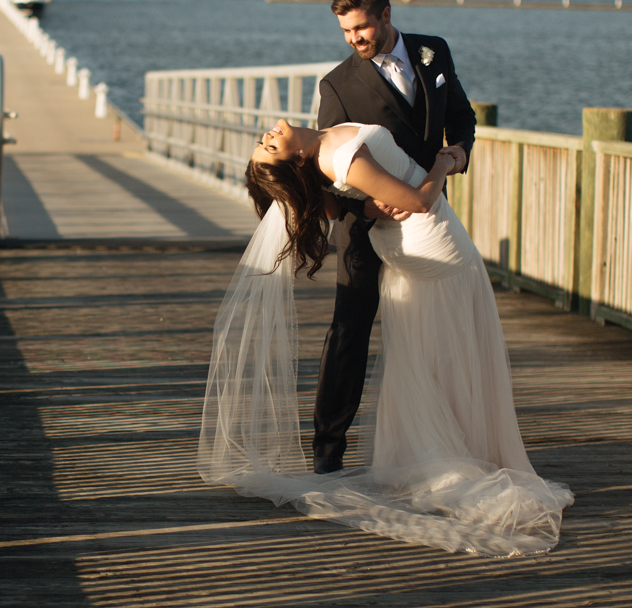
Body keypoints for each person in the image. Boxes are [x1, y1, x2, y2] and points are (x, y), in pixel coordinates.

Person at [196, 120, 573, 557]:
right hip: (433, 245)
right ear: (297, 158)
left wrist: (371, 206)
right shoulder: (338, 156)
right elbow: (419, 200)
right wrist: (443, 161)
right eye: (271, 146)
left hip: (399, 247)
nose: (268, 135)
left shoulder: (324, 153)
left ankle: (445, 448)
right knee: (452, 352)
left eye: (264, 142)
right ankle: (457, 455)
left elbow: (336, 210)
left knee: (424, 356)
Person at [313, 0, 477, 475]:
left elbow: (462, 115)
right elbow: (325, 180)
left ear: (386, 15)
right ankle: (328, 454)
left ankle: (436, 445)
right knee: (350, 334)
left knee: (433, 336)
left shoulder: (434, 52)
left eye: (361, 27)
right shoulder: (337, 86)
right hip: (366, 230)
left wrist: (460, 151)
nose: (354, 39)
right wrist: (365, 209)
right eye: (345, 31)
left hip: (426, 225)